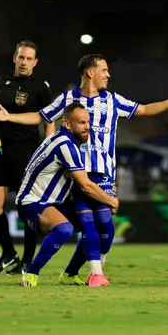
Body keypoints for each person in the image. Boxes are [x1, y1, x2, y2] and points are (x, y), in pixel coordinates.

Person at [0, 54, 168, 285]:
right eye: (104, 70)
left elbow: (144, 110)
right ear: (90, 73)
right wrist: (9, 117)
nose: (108, 74)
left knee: (105, 225)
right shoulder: (67, 100)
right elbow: (39, 117)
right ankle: (95, 273)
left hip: (105, 174)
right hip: (78, 175)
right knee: (87, 223)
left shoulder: (113, 101)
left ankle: (72, 271)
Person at [0, 40, 55, 275]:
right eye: (21, 57)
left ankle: (27, 260)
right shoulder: (3, 82)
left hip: (27, 152)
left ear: (35, 63)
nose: (24, 62)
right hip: (0, 150)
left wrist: (48, 148)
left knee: (27, 208)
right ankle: (9, 252)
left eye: (29, 58)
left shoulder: (41, 86)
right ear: (14, 58)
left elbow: (48, 120)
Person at [16, 103, 118, 287]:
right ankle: (32, 272)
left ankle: (70, 273)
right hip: (32, 202)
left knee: (91, 223)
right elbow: (86, 185)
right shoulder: (65, 145)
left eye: (88, 122)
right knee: (64, 229)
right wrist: (111, 200)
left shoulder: (61, 140)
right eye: (81, 123)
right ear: (67, 124)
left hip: (53, 203)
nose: (87, 127)